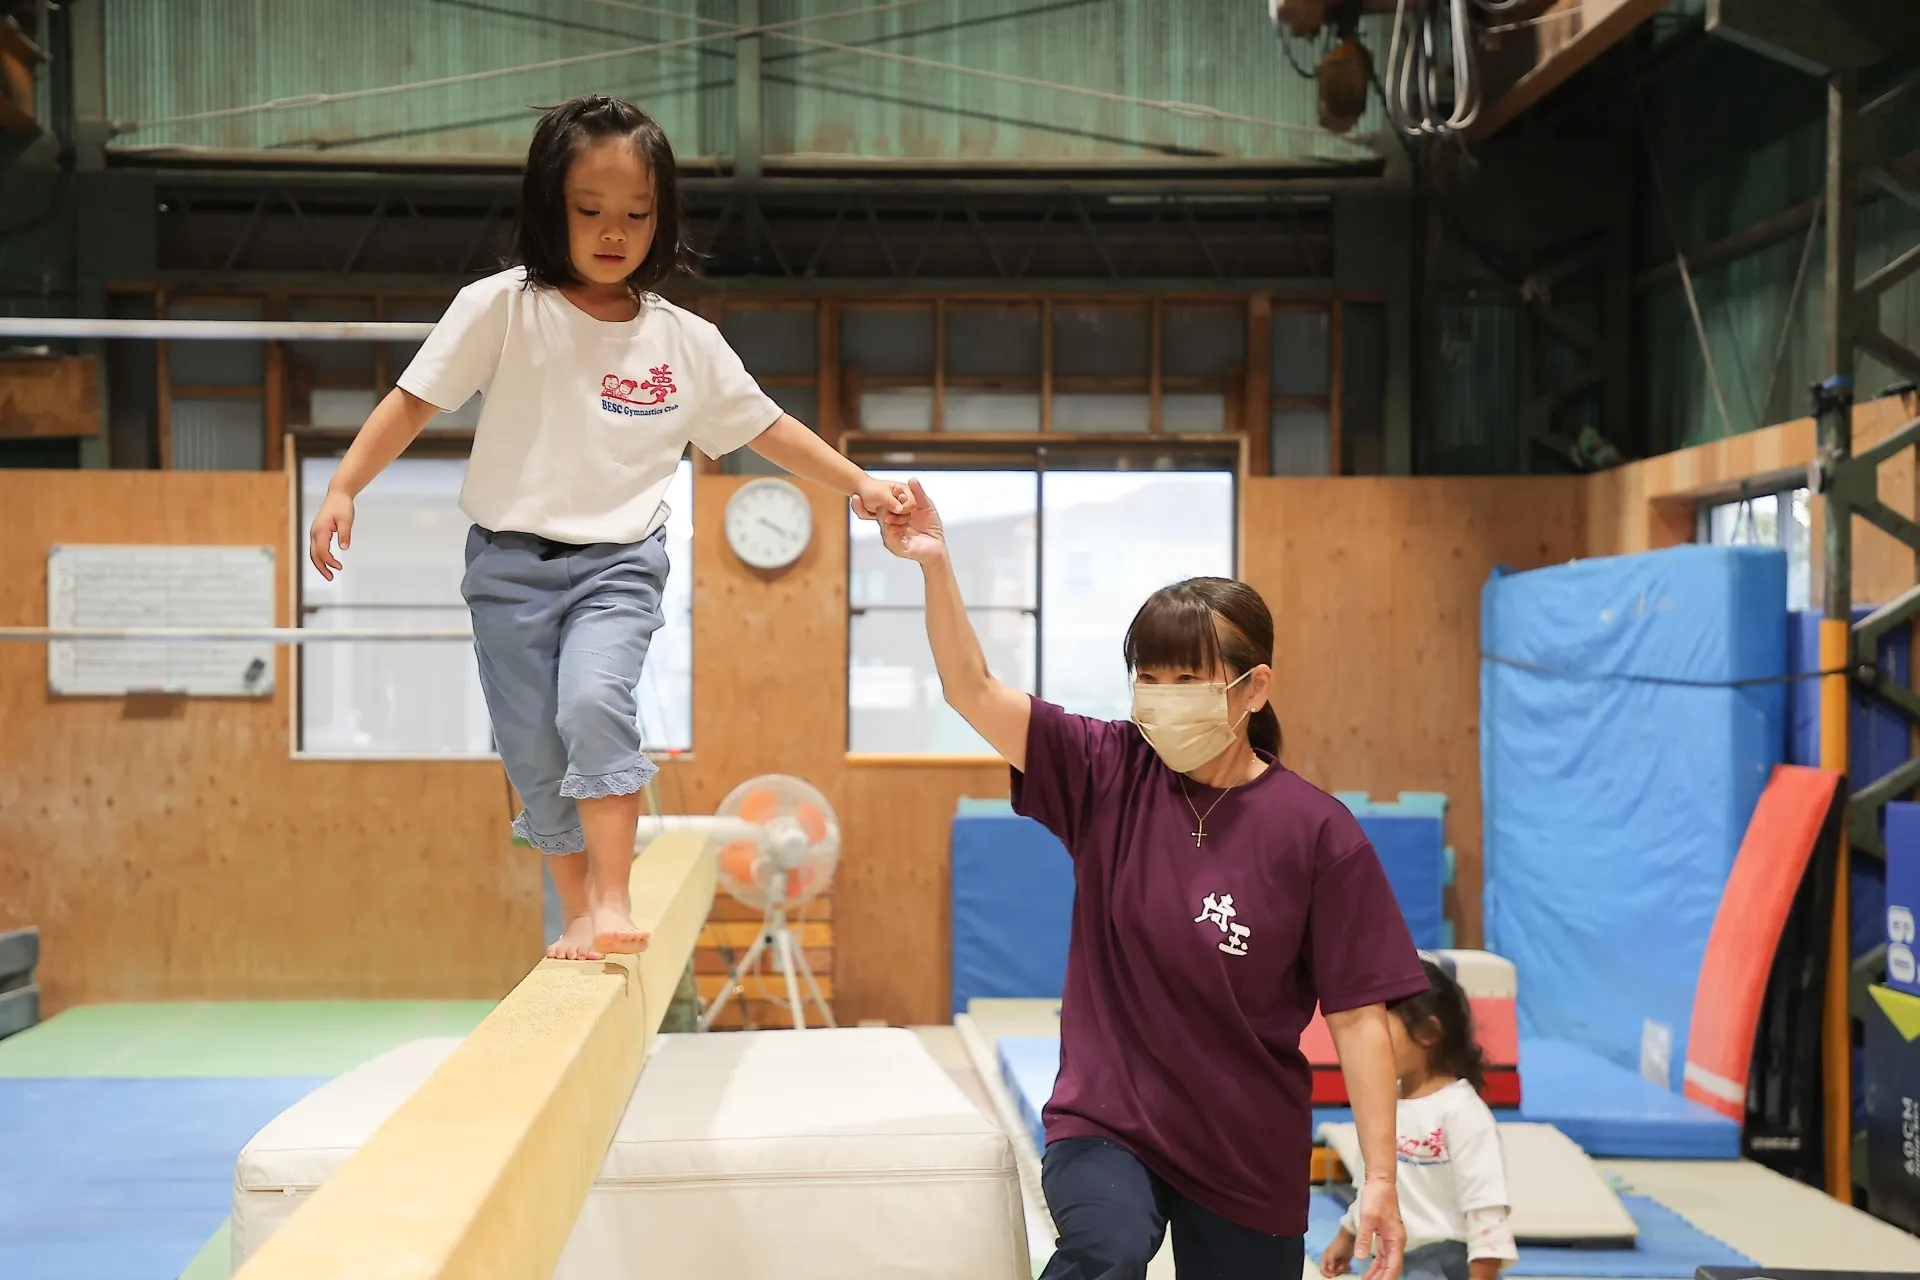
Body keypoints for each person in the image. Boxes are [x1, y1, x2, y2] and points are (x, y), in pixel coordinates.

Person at [307, 95, 910, 962]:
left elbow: (769, 427)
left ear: (662, 219)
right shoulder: (500, 308)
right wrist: (344, 487)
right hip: (506, 565)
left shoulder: (685, 342)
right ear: (549, 207)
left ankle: (615, 895)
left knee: (593, 703)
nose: (613, 232)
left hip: (618, 564)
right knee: (531, 745)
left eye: (636, 213)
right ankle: (578, 910)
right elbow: (413, 401)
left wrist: (861, 485)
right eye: (589, 210)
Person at [878, 478, 1430, 1280]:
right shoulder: (1105, 768)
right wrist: (934, 564)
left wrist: (1379, 1179)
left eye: (1188, 681)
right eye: (1151, 678)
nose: (1163, 700)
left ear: (1254, 687)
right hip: (1109, 1120)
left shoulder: (1317, 832)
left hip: (1246, 1143)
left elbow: (1356, 1019)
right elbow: (973, 690)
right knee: (1104, 1250)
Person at [1319, 955, 1517, 1280]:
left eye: (1380, 1029)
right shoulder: (1383, 1103)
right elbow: (1372, 1187)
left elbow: (1486, 1210)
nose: (1367, 1045)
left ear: (1427, 1032)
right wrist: (1348, 1234)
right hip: (1390, 1256)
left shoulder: (1460, 1112)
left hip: (1441, 1260)